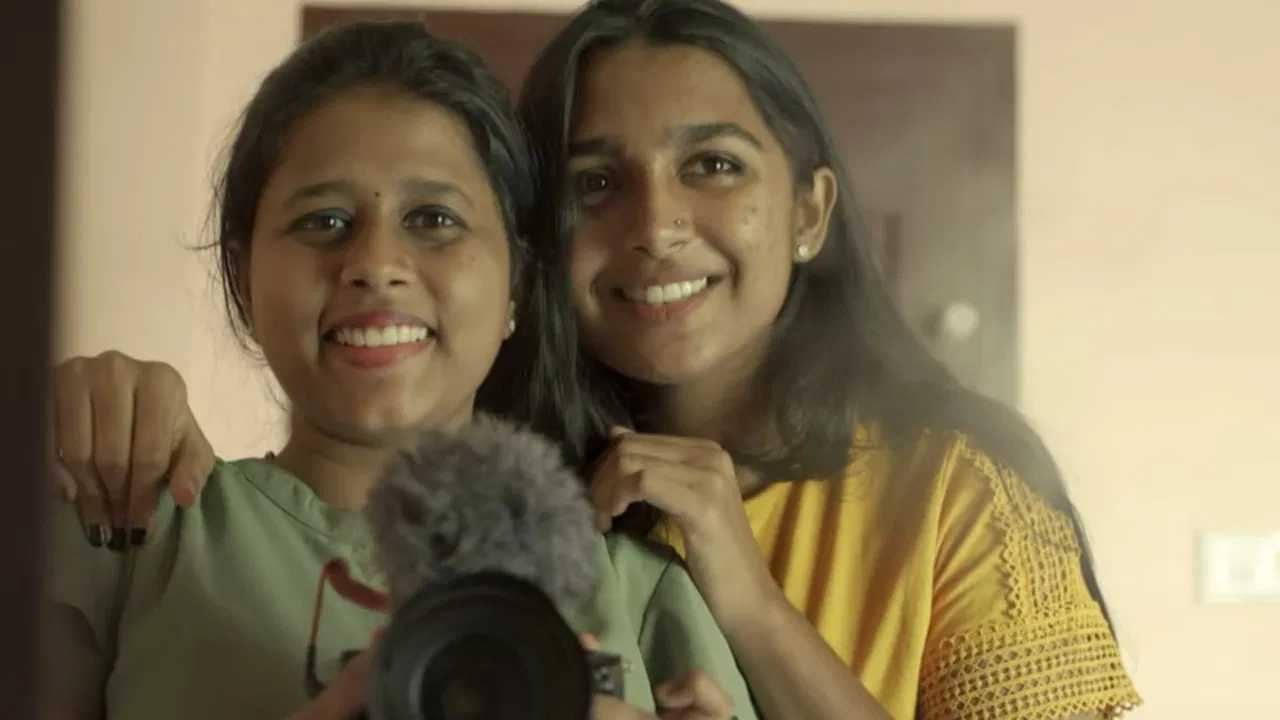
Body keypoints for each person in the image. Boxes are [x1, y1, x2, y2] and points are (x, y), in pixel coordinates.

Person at [50, 1, 1143, 719]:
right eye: (592, 183)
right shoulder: (139, 522)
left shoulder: (931, 500)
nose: (656, 225)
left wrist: (751, 609)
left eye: (710, 164)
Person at [43, 20, 752, 720]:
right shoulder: (124, 529)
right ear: (244, 277)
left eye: (435, 219)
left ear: (516, 283)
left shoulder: (638, 593)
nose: (377, 265)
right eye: (323, 221)